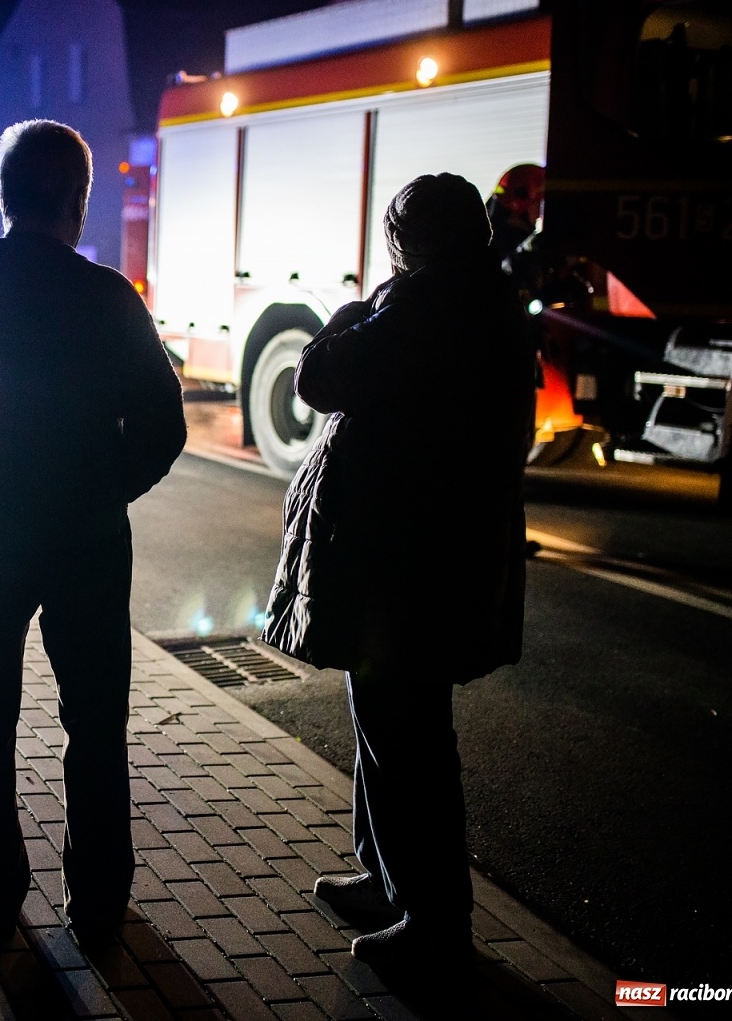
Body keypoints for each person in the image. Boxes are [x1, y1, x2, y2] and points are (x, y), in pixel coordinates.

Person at [0, 120, 186, 950]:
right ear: (78, 202)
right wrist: (103, 491)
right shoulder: (108, 298)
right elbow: (163, 426)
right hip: (87, 542)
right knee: (96, 721)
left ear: (4, 196)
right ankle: (97, 899)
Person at [259, 173, 535, 972]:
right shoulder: (486, 302)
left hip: (411, 569)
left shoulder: (426, 308)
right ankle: (387, 879)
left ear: (410, 240)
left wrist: (354, 312)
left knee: (408, 739)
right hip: (432, 560)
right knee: (388, 725)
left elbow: (319, 377)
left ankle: (432, 922)